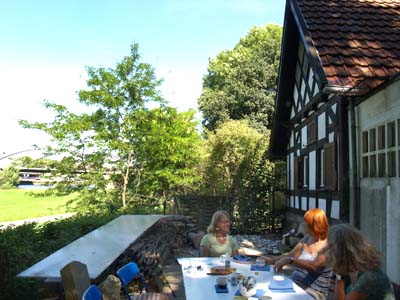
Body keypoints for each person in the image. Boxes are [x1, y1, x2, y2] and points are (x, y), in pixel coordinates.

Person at [262, 208, 332, 300]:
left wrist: (290, 261)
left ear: (314, 225)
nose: (303, 224)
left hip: (314, 292)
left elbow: (314, 266)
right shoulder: (307, 239)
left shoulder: (328, 245)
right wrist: (269, 260)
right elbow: (289, 256)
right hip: (296, 285)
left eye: (306, 222)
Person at [326, 223, 395, 300]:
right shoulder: (353, 269)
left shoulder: (369, 276)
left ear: (342, 251)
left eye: (330, 248)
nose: (328, 252)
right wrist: (339, 276)